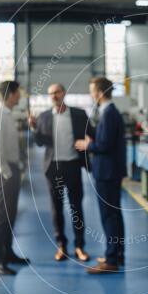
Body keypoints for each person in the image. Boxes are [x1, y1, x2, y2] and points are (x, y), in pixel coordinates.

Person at [28, 83, 92, 262]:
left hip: (73, 166)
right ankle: (61, 246)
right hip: (53, 168)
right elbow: (40, 142)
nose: (54, 96)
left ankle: (79, 246)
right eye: (50, 94)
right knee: (56, 209)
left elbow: (91, 134)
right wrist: (33, 128)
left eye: (56, 92)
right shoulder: (44, 117)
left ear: (64, 93)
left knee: (76, 207)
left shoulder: (79, 115)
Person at [75, 76, 127, 274]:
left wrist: (88, 145)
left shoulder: (109, 114)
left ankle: (111, 260)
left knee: (109, 216)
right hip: (111, 171)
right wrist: (95, 135)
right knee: (115, 215)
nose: (91, 94)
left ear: (99, 92)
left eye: (92, 91)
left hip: (107, 172)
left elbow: (104, 146)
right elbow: (107, 140)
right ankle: (116, 253)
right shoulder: (110, 113)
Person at [0, 80, 30, 275]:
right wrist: (8, 173)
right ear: (11, 94)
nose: (20, 95)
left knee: (10, 214)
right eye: (18, 92)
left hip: (11, 168)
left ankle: (7, 252)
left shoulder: (7, 115)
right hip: (4, 170)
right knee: (1, 216)